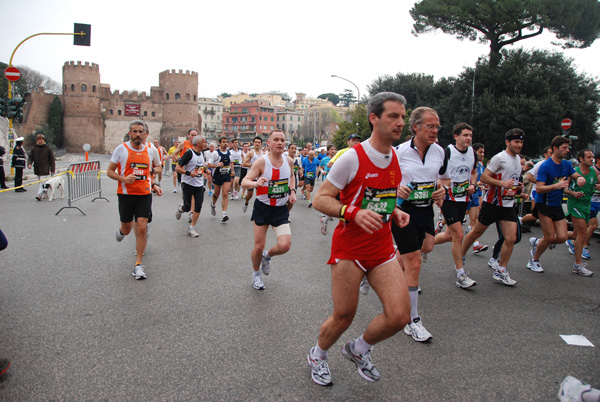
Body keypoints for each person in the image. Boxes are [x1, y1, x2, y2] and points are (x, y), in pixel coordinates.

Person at [307, 92, 411, 386]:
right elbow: (320, 199)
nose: (400, 122)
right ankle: (318, 354)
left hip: (381, 249)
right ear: (374, 118)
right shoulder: (353, 157)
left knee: (399, 316)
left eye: (402, 116)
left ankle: (359, 349)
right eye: (393, 116)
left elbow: (381, 198)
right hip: (350, 250)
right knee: (344, 316)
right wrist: (351, 212)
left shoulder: (395, 157)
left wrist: (396, 211)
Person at [394, 106, 447, 342]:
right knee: (414, 263)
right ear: (415, 127)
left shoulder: (439, 152)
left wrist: (441, 192)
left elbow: (440, 181)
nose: (435, 131)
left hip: (426, 209)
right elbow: (387, 180)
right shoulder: (399, 152)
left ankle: (384, 264)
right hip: (403, 210)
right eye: (430, 126)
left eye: (437, 126)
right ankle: (412, 319)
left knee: (427, 247)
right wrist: (397, 188)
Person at [462, 128, 525, 286]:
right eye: (516, 142)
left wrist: (517, 187)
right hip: (493, 203)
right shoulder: (499, 158)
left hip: (508, 205)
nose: (519, 145)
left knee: (511, 238)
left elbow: (511, 180)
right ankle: (460, 257)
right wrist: (502, 183)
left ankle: (501, 270)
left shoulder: (518, 159)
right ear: (507, 142)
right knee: (476, 231)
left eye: (521, 142)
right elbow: (484, 177)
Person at [106, 120, 163, 280]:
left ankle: (138, 265)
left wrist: (153, 178)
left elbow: (158, 168)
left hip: (144, 194)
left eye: (141, 131)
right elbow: (109, 172)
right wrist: (123, 179)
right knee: (127, 229)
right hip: (125, 195)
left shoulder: (151, 151)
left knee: (143, 227)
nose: (138, 134)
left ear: (145, 134)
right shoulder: (121, 149)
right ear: (130, 133)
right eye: (135, 131)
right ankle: (121, 231)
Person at [241, 130, 296, 290]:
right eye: (276, 140)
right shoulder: (261, 162)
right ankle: (256, 274)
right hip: (263, 207)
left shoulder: (289, 161)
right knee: (259, 246)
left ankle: (268, 256)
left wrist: (292, 191)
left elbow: (291, 176)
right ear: (269, 143)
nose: (280, 143)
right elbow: (244, 181)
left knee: (285, 245)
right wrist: (255, 184)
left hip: (280, 209)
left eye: (282, 140)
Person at [528, 136, 587, 273]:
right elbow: (540, 188)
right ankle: (533, 261)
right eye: (564, 148)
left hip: (556, 205)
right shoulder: (546, 166)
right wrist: (556, 185)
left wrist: (580, 178)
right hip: (544, 203)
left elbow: (575, 175)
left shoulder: (566, 165)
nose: (567, 150)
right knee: (549, 237)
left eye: (568, 148)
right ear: (555, 148)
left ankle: (538, 242)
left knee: (561, 237)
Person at [433, 123, 478, 289]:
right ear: (456, 136)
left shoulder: (472, 152)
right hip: (448, 199)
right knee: (459, 234)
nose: (468, 138)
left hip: (463, 199)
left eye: (470, 136)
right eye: (465, 135)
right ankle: (460, 274)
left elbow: (473, 172)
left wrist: (473, 185)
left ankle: (424, 244)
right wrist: (442, 189)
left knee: (449, 236)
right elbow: (437, 173)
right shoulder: (448, 152)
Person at [563, 149, 598, 276]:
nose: (592, 159)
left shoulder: (593, 172)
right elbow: (563, 187)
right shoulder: (574, 172)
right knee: (583, 232)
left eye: (592, 157)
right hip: (575, 204)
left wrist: (597, 186)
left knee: (575, 235)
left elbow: (595, 183)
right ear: (581, 159)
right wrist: (573, 193)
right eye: (589, 157)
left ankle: (546, 239)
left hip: (587, 205)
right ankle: (578, 265)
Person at [175, 135, 207, 237]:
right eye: (204, 142)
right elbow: (177, 168)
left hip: (199, 185)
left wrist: (207, 171)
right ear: (198, 143)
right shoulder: (189, 154)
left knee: (198, 206)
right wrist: (189, 173)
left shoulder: (202, 154)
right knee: (188, 207)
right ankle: (181, 208)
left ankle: (191, 227)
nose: (206, 144)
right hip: (188, 183)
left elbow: (201, 167)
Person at [520, 146, 553, 231]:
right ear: (545, 154)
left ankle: (524, 224)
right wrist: (540, 183)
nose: (552, 155)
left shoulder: (554, 165)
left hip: (548, 193)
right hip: (537, 192)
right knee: (536, 214)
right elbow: (530, 177)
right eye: (550, 153)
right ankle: (521, 220)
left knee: (545, 214)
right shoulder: (540, 164)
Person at [464, 142, 488, 252]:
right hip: (464, 194)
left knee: (474, 219)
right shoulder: (468, 163)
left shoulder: (481, 166)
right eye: (480, 152)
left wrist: (482, 184)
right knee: (454, 226)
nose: (482, 154)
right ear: (474, 152)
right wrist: (473, 184)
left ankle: (476, 244)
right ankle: (441, 224)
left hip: (475, 193)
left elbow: (480, 179)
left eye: (483, 152)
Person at [207, 137, 234, 223]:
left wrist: (232, 171)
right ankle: (213, 204)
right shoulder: (215, 153)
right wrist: (216, 165)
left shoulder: (230, 153)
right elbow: (209, 165)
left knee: (225, 194)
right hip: (217, 175)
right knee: (217, 193)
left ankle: (224, 214)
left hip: (226, 176)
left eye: (226, 142)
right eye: (223, 142)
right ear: (220, 143)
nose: (225, 143)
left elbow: (231, 163)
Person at [28, 134, 56, 201]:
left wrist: (52, 169)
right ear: (37, 140)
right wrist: (29, 164)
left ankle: (39, 195)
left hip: (45, 168)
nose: (40, 141)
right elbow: (31, 157)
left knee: (42, 183)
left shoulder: (47, 149)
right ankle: (45, 194)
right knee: (42, 183)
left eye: (41, 139)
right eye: (39, 139)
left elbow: (52, 160)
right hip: (37, 169)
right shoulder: (34, 148)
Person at [241, 137, 265, 213]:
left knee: (261, 195)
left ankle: (259, 210)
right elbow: (244, 163)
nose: (257, 144)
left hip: (260, 177)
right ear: (253, 143)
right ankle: (246, 202)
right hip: (251, 177)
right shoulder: (251, 153)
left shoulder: (263, 153)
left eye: (259, 142)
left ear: (261, 144)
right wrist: (253, 165)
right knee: (250, 195)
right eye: (256, 142)